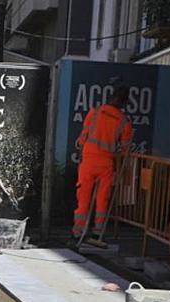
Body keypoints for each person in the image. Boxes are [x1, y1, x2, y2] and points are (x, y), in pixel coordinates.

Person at [73, 80, 134, 245]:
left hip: (88, 161)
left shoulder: (94, 112)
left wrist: (82, 151)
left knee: (83, 196)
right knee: (102, 198)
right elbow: (125, 150)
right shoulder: (124, 122)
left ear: (112, 96)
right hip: (106, 163)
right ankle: (98, 232)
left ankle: (78, 231)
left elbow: (82, 138)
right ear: (124, 102)